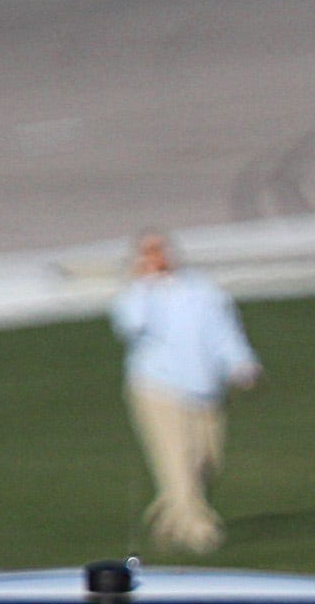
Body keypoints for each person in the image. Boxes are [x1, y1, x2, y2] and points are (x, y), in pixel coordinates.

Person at [111, 231, 260, 555]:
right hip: (158, 387)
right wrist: (144, 286)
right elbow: (130, 326)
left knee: (205, 460)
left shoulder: (201, 288)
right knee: (176, 461)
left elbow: (223, 329)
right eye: (148, 253)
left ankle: (169, 521)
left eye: (159, 251)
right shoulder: (137, 295)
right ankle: (200, 534)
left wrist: (241, 362)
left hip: (205, 388)